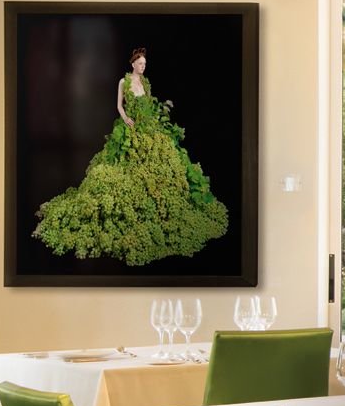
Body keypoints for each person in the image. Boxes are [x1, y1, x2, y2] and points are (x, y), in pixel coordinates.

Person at [33, 47, 230, 265]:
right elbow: (119, 105)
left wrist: (155, 119)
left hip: (147, 128)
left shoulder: (146, 83)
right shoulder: (123, 82)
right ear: (133, 63)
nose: (143, 67)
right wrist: (126, 118)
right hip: (129, 127)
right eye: (140, 64)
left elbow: (150, 104)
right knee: (123, 164)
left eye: (145, 64)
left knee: (162, 164)